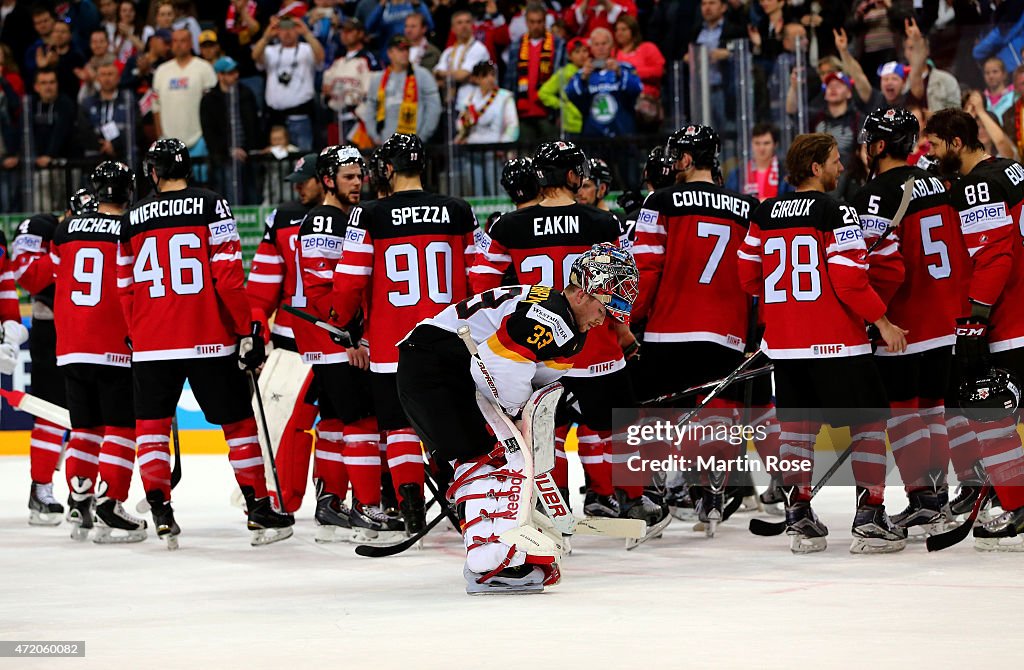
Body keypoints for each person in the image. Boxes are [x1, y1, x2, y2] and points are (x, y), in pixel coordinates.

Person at [398, 242, 639, 593]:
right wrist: (514, 425)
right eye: (606, 308)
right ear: (586, 293)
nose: (606, 319)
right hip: (435, 368)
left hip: (443, 369)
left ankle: (502, 552)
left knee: (497, 456)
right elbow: (498, 373)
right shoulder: (550, 315)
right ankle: (488, 562)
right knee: (486, 460)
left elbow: (529, 389)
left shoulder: (567, 326)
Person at [472, 141, 665, 533]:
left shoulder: (507, 226)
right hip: (597, 346)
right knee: (616, 427)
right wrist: (624, 332)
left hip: (542, 354)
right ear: (575, 176)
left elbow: (482, 288)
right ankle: (628, 500)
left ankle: (551, 503)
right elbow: (623, 284)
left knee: (550, 431)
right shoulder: (601, 222)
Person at [736, 132, 910, 554]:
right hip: (836, 341)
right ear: (816, 168)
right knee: (868, 423)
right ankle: (870, 515)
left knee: (797, 429)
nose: (840, 167)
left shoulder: (764, 212)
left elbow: (747, 276)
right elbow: (849, 279)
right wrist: (883, 322)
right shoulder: (836, 210)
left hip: (785, 344)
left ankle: (800, 515)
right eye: (834, 160)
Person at [118, 138, 293, 549]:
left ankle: (161, 510)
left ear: (153, 173)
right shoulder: (211, 204)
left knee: (151, 426)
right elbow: (228, 275)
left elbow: (124, 288)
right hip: (208, 340)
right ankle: (257, 507)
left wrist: (137, 332)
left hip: (152, 343)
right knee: (238, 423)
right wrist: (246, 327)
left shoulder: (131, 218)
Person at [329, 132, 479, 535]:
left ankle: (410, 506)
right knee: (454, 425)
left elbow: (348, 282)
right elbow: (479, 277)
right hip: (451, 342)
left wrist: (341, 321)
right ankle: (464, 505)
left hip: (390, 347)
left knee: (397, 429)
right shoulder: (458, 210)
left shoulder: (369, 214)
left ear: (388, 169)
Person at [632, 124, 768, 526]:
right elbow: (757, 277)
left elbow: (646, 268)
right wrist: (754, 331)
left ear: (688, 160)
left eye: (677, 157)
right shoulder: (748, 206)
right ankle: (710, 491)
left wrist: (631, 317)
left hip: (668, 328)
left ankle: (652, 494)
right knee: (717, 413)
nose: (672, 164)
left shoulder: (660, 200)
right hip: (726, 331)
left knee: (654, 413)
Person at [852, 107, 968, 539]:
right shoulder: (937, 183)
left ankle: (921, 497)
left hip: (902, 322)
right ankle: (935, 497)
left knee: (902, 412)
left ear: (879, 146)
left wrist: (871, 316)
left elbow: (879, 267)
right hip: (944, 316)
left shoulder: (874, 194)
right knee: (933, 408)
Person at [922, 108, 1024, 549]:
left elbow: (994, 257)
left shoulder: (978, 185)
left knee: (989, 416)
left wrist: (976, 319)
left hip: (1009, 321)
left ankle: (1017, 508)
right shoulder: (1012, 168)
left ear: (956, 144)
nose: (930, 153)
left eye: (935, 145)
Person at [296, 145, 401, 543]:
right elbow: (326, 292)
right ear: (327, 180)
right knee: (362, 422)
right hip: (341, 342)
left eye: (360, 176)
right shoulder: (325, 219)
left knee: (337, 423)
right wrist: (352, 337)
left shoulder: (340, 218)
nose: (358, 183)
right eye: (348, 177)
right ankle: (366, 507)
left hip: (334, 340)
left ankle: (331, 502)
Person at [51, 161, 146, 543]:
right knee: (122, 426)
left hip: (72, 344)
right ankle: (110, 502)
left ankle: (79, 498)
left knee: (85, 426)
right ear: (128, 191)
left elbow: (57, 276)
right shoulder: (131, 227)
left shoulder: (64, 229)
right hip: (115, 342)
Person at [245, 153, 322, 514]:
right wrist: (257, 334)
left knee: (343, 427)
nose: (298, 188)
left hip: (314, 341)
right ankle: (285, 498)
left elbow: (260, 292)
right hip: (298, 343)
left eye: (305, 180)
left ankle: (331, 500)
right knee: (292, 426)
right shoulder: (283, 218)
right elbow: (260, 293)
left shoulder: (282, 220)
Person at [9, 181, 66, 525]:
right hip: (54, 328)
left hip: (100, 332)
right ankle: (41, 489)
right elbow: (26, 276)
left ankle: (89, 490)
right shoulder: (40, 227)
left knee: (100, 416)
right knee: (50, 410)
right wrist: (64, 248)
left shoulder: (116, 225)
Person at [253, 14, 325, 152]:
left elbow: (321, 56)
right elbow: (255, 56)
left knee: (302, 159)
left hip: (301, 116)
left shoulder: (306, 49)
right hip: (275, 118)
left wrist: (307, 33)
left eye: (291, 28)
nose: (287, 32)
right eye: (283, 28)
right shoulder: (270, 51)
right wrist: (266, 36)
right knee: (277, 164)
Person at [199, 56, 260, 204]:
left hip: (248, 155)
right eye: (230, 73)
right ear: (220, 76)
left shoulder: (246, 93)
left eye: (235, 71)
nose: (236, 75)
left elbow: (254, 124)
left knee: (253, 196)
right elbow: (209, 132)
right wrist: (228, 150)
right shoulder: (210, 100)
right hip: (223, 158)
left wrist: (250, 148)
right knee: (227, 198)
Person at [362, 36, 441, 145]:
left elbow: (433, 108)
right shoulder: (378, 79)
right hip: (386, 144)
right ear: (390, 53)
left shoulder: (423, 75)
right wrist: (375, 137)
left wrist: (421, 138)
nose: (404, 53)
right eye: (400, 50)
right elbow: (370, 108)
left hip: (414, 144)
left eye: (407, 50)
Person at [565, 27, 641, 138]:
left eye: (604, 44)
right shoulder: (582, 73)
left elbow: (637, 88)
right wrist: (583, 78)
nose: (600, 48)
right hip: (592, 136)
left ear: (611, 46)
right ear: (591, 48)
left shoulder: (625, 68)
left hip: (623, 134)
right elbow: (570, 94)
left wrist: (619, 73)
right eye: (596, 44)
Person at [151, 28, 216, 157]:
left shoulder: (204, 68)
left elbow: (213, 106)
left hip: (199, 139)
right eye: (175, 41)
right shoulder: (161, 71)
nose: (178, 44)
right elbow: (155, 106)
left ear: (191, 43)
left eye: (183, 41)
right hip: (169, 142)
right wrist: (160, 136)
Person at [505, 2, 563, 142]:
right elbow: (509, 79)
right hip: (523, 111)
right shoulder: (516, 45)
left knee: (551, 158)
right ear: (526, 22)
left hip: (548, 112)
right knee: (526, 159)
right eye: (532, 22)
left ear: (545, 21)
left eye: (539, 22)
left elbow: (562, 79)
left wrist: (562, 112)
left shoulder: (558, 44)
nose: (535, 26)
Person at [321, 17, 380, 146]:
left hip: (356, 119)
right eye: (343, 31)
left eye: (350, 31)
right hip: (337, 118)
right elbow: (325, 90)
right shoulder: (338, 61)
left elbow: (373, 92)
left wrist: (363, 118)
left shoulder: (368, 59)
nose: (345, 34)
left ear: (360, 34)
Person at [77, 56, 137, 161]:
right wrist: (103, 146)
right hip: (95, 159)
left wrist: (114, 146)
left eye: (110, 74)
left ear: (118, 78)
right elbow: (83, 130)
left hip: (123, 158)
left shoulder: (129, 100)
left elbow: (135, 128)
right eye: (103, 75)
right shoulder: (87, 103)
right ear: (98, 78)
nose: (106, 78)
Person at [725, 122, 793, 201]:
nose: (761, 148)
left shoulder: (785, 174)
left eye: (766, 143)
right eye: (757, 143)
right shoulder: (737, 175)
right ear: (751, 144)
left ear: (775, 145)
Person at [538, 36, 587, 136]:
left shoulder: (592, 72)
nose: (582, 55)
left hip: (589, 124)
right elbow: (543, 92)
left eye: (584, 51)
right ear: (570, 56)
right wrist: (561, 105)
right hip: (571, 125)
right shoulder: (563, 74)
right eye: (577, 52)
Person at [434, 10, 490, 98]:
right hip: (454, 102)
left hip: (476, 100)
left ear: (472, 26)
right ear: (453, 28)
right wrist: (451, 75)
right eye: (459, 23)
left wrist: (444, 75)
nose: (464, 26)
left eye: (467, 22)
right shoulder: (448, 52)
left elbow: (462, 75)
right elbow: (435, 74)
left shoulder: (478, 48)